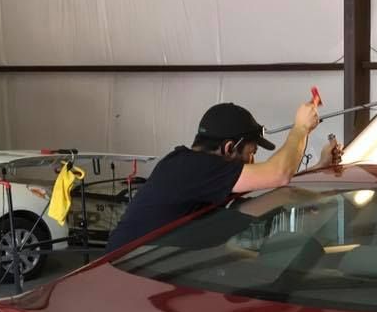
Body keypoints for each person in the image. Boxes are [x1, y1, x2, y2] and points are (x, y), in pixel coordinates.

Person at [106, 100, 337, 252]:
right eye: (251, 153)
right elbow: (278, 174)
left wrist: (319, 166)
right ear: (229, 148)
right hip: (123, 272)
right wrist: (301, 128)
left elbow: (273, 187)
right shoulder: (193, 167)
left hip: (150, 266)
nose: (252, 161)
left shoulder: (197, 171)